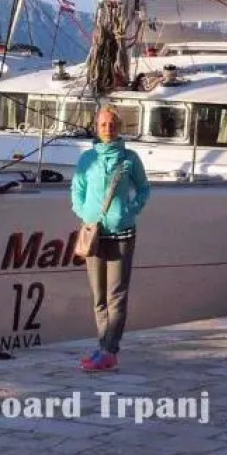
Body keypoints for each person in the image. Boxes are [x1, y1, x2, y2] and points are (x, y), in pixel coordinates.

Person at [71, 106, 151, 372]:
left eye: (112, 125)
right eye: (103, 125)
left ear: (119, 127)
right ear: (97, 127)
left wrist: (130, 210)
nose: (108, 129)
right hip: (94, 235)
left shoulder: (130, 159)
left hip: (122, 233)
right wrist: (84, 213)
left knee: (116, 294)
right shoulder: (87, 159)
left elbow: (143, 188)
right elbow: (77, 190)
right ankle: (103, 345)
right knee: (98, 296)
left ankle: (109, 350)